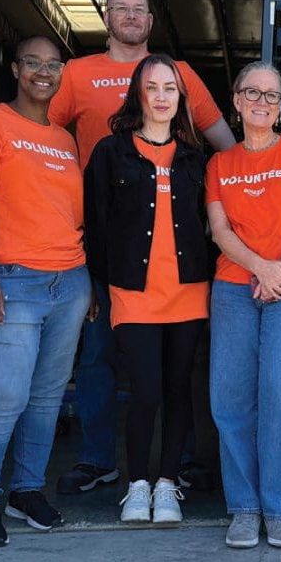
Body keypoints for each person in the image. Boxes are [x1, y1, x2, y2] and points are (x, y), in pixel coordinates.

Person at [50, 0, 235, 496]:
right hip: (106, 241)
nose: (131, 16)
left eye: (140, 10)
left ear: (151, 21)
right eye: (121, 9)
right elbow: (41, 136)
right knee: (97, 357)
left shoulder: (181, 75)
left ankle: (181, 467)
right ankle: (97, 459)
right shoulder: (77, 73)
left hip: (176, 256)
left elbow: (227, 144)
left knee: (181, 371)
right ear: (106, 16)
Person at [0, 36, 91, 548]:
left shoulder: (64, 139)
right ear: (15, 68)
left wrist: (87, 281)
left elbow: (69, 216)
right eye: (32, 62)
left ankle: (26, 489)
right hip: (10, 279)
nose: (43, 71)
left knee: (46, 397)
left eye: (53, 65)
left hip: (68, 282)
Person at [206, 61, 281, 548]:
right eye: (252, 93)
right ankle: (243, 507)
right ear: (236, 101)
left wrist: (279, 272)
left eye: (271, 95)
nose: (262, 102)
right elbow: (220, 231)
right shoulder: (221, 165)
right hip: (236, 287)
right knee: (230, 396)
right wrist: (260, 267)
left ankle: (279, 508)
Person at [84, 54, 209, 524]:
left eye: (170, 89)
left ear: (181, 98)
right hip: (132, 294)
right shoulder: (109, 152)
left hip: (188, 293)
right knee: (146, 392)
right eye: (152, 87)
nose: (161, 97)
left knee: (179, 390)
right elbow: (95, 225)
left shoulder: (197, 159)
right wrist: (98, 287)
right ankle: (138, 484)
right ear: (139, 94)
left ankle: (167, 484)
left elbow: (210, 227)